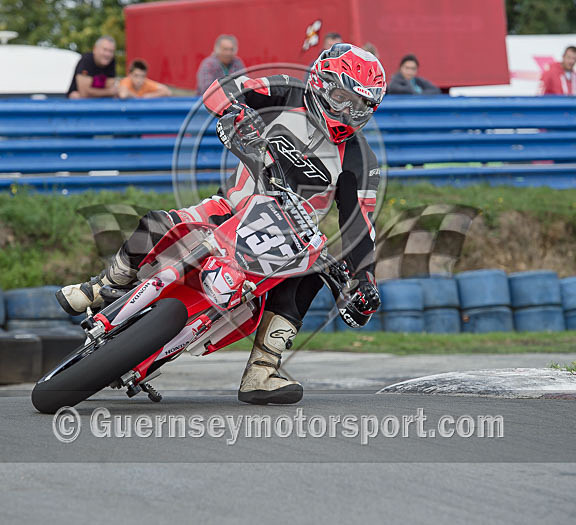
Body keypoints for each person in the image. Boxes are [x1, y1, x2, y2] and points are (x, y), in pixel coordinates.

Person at [58, 44, 386, 405]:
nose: (348, 112)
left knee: (313, 274)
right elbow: (221, 89)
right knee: (158, 224)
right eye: (342, 98)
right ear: (321, 81)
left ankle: (263, 369)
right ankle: (105, 286)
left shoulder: (360, 157)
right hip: (230, 205)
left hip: (289, 240)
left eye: (361, 106)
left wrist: (365, 280)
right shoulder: (284, 90)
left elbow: (358, 225)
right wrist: (237, 114)